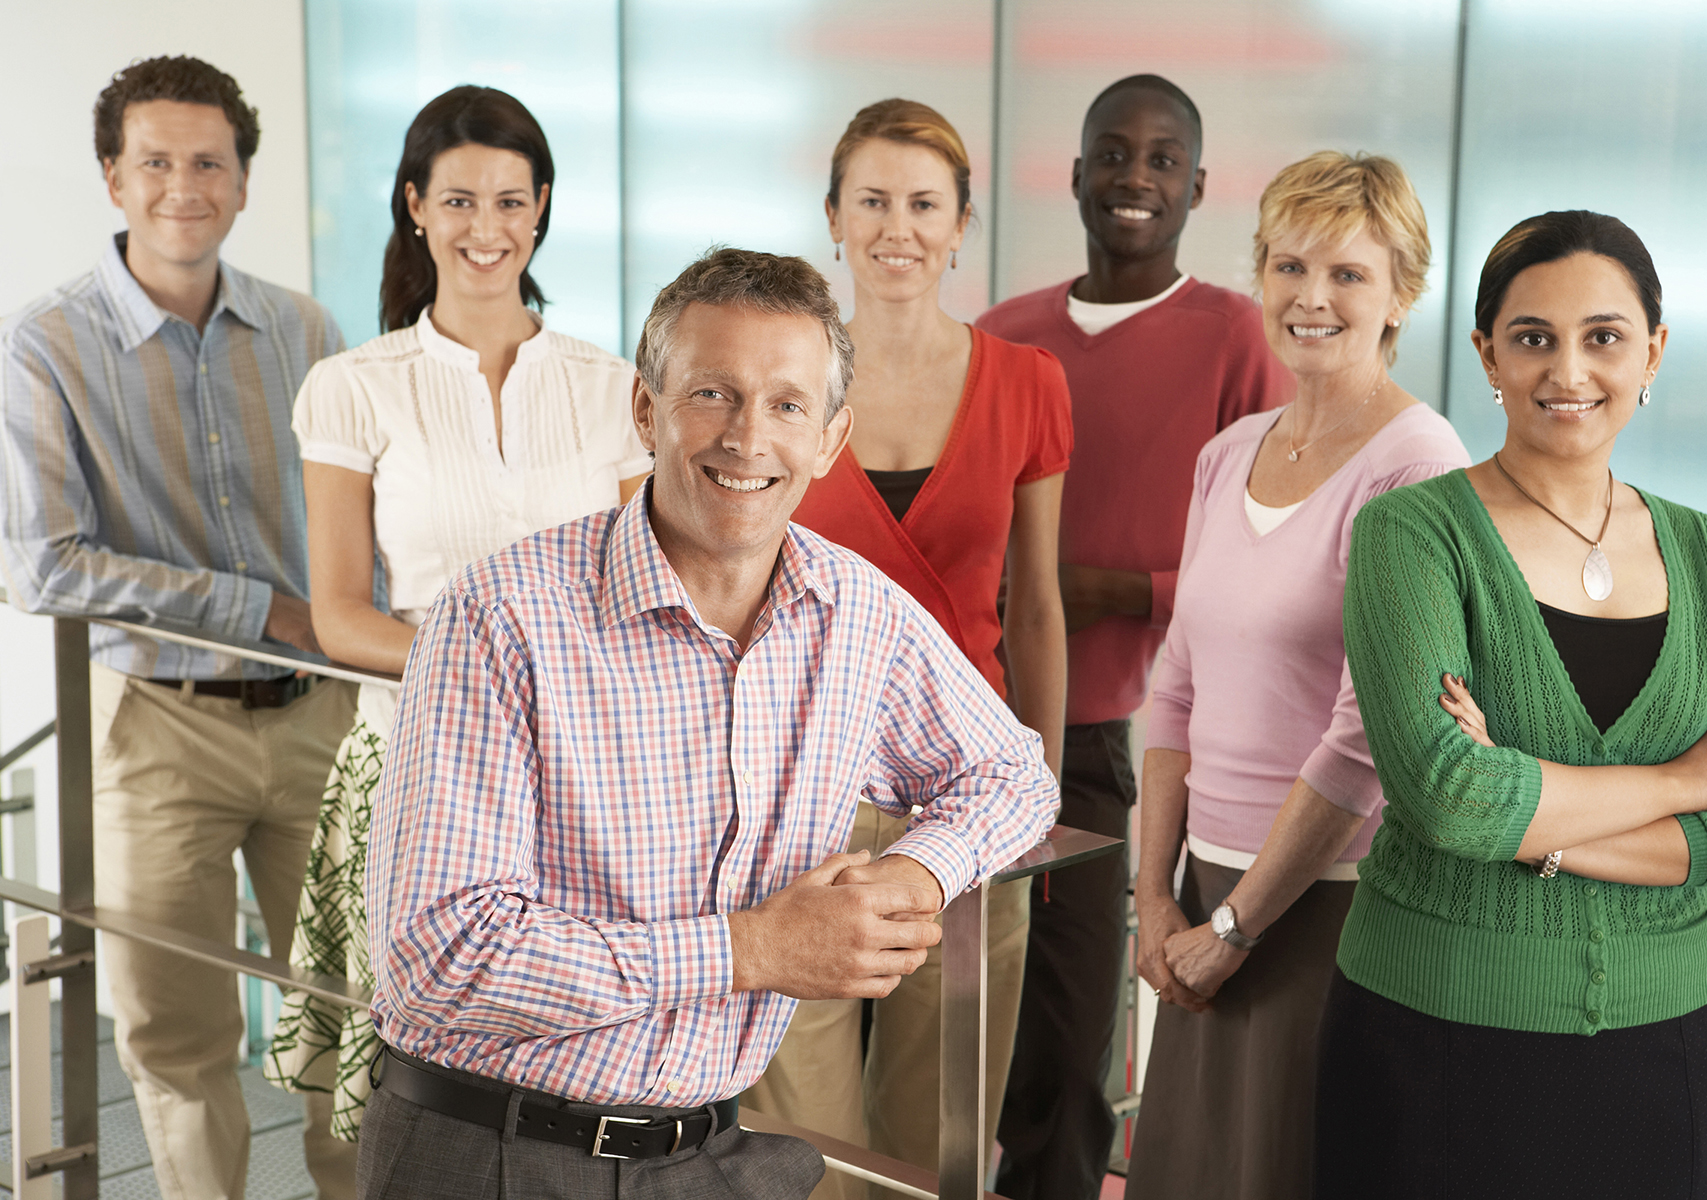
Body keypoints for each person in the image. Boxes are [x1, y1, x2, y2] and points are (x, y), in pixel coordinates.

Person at [356, 246, 1061, 1198]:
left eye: (788, 405)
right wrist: (755, 949)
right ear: (646, 411)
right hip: (488, 1151)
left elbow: (1014, 775)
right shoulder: (501, 615)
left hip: (705, 1158)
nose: (748, 438)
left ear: (832, 439)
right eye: (712, 394)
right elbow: (438, 958)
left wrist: (909, 876)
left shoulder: (859, 612)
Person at [1317, 210, 1707, 1199]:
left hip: (1668, 1047)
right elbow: (1451, 799)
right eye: (1533, 337)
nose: (1568, 371)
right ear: (1487, 353)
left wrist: (1537, 834)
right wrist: (1690, 779)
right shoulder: (1411, 534)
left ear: (1652, 352)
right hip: (1436, 1036)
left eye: (1604, 337)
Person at [262, 84, 652, 1154]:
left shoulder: (615, 386)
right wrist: (505, 666)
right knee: (398, 1090)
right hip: (413, 765)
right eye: (460, 200)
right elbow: (341, 618)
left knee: (563, 1080)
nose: (488, 228)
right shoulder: (352, 386)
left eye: (511, 201)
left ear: (542, 210)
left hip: (579, 780)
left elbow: (639, 594)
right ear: (415, 207)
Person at [0, 56, 357, 1200]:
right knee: (174, 1030)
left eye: (209, 162)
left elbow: (358, 516)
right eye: (155, 162)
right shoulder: (46, 344)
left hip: (320, 718)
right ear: (114, 178)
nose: (184, 187)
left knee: (353, 1016)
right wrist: (264, 610)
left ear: (244, 182)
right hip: (155, 730)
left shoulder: (304, 330)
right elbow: (42, 564)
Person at [1124, 152, 1468, 1200]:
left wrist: (1236, 928)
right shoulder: (1228, 453)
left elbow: (1368, 738)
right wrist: (1153, 897)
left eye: (1348, 273)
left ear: (1402, 294)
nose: (1311, 296)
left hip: (1329, 906)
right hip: (1201, 895)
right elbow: (1175, 684)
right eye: (1289, 266)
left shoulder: (1418, 466)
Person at [745, 98, 1069, 1197]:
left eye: (925, 204)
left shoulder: (1027, 382)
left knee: (942, 1133)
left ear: (961, 224)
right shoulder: (781, 381)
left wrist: (1038, 800)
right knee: (802, 1134)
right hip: (798, 791)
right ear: (833, 216)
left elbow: (1037, 607)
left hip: (966, 798)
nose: (898, 228)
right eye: (873, 200)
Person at [975, 74, 1290, 1199]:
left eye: (1163, 160)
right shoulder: (1004, 336)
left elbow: (1274, 545)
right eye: (1114, 153)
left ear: (1197, 188)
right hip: (980, 723)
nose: (1135, 178)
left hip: (1119, 740)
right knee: (955, 1026)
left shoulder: (1237, 335)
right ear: (1074, 175)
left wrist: (1116, 589)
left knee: (1071, 1045)